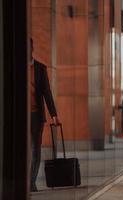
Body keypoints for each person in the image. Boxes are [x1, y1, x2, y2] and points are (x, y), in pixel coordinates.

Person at [30, 38, 60, 192]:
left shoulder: (40, 68)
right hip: (20, 117)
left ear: (31, 48)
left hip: (36, 115)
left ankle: (31, 181)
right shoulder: (15, 66)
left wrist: (54, 114)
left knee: (36, 148)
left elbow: (47, 93)